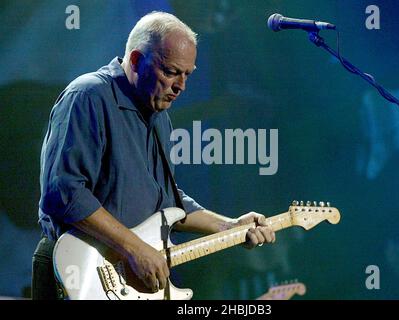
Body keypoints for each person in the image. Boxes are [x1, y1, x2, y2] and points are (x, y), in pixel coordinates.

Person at [32, 11, 275, 300]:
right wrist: (134, 247)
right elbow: (64, 193)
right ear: (135, 61)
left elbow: (166, 201)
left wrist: (229, 226)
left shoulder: (159, 116)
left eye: (187, 75)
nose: (181, 86)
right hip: (75, 270)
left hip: (123, 280)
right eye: (171, 72)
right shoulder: (88, 96)